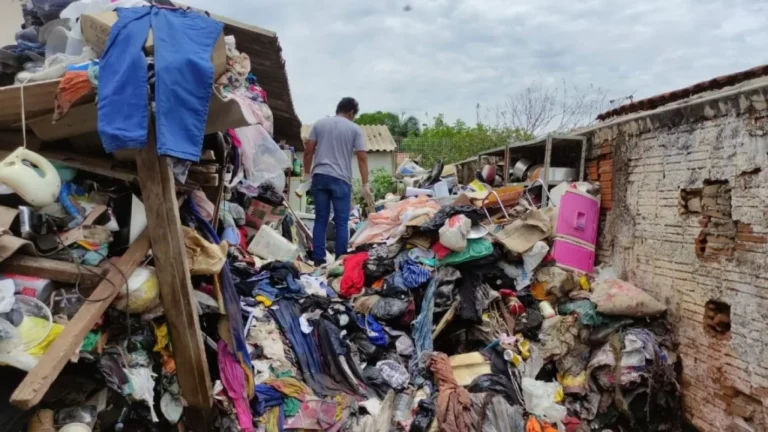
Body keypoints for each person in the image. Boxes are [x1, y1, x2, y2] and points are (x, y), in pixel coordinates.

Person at [303, 97, 373, 265]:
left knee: (321, 218)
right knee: (342, 221)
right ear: (351, 113)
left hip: (320, 176)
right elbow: (362, 157)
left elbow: (308, 151)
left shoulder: (319, 124)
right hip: (341, 180)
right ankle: (340, 261)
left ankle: (318, 260)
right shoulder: (354, 129)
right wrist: (365, 184)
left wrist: (307, 174)